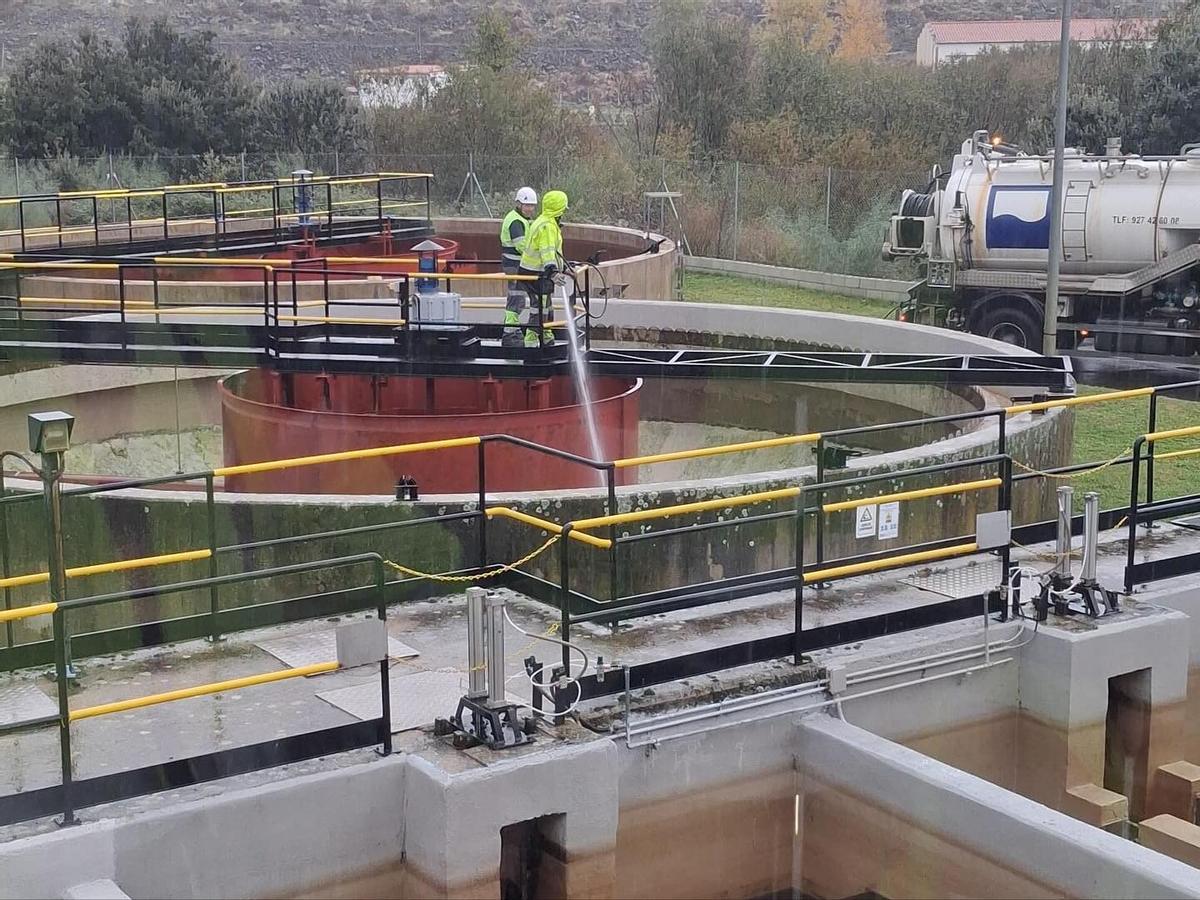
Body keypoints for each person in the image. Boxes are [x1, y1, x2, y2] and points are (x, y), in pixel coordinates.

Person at [517, 189, 569, 348]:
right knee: (539, 307)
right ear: (558, 209)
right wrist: (553, 272)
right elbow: (546, 251)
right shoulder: (547, 226)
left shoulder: (546, 222)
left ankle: (546, 334)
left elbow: (553, 251)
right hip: (536, 273)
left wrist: (564, 266)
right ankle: (532, 340)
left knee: (546, 306)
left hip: (537, 272)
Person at [500, 187, 538, 347]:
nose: (530, 209)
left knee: (518, 299)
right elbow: (522, 245)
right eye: (526, 205)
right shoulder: (515, 221)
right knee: (516, 299)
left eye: (532, 206)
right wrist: (538, 256)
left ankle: (513, 333)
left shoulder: (523, 219)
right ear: (519, 204)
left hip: (518, 265)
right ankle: (510, 335)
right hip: (514, 265)